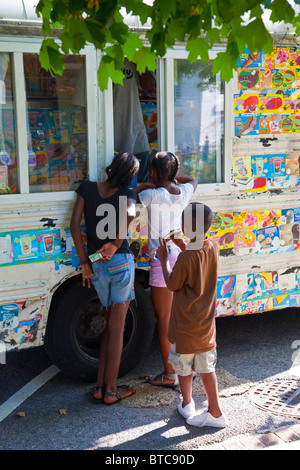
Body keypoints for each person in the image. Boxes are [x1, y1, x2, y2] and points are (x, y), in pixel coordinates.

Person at [70, 152, 140, 405]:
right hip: (119, 261)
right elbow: (130, 214)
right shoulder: (128, 195)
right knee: (117, 328)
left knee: (109, 323)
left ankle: (99, 386)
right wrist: (116, 242)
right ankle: (111, 391)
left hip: (97, 263)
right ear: (130, 177)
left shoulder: (86, 188)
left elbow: (74, 224)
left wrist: (86, 262)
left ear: (111, 168)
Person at [156, 202, 228, 428]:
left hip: (185, 325)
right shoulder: (212, 246)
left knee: (183, 367)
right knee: (207, 368)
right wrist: (184, 244)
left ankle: (188, 403)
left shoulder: (186, 256)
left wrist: (164, 259)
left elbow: (171, 283)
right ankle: (215, 411)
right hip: (205, 326)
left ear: (187, 226)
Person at [135, 151, 197, 387]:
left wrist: (145, 184)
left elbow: (127, 197)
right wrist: (175, 177)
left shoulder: (152, 194)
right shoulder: (182, 192)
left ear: (152, 172)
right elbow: (193, 181)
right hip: (181, 257)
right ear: (175, 172)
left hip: (162, 261)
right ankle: (187, 369)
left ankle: (170, 375)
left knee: (165, 322)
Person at [113, 58, 156, 183]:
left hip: (135, 135)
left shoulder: (133, 58)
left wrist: (137, 60)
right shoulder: (99, 56)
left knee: (142, 186)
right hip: (107, 140)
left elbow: (149, 86)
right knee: (115, 187)